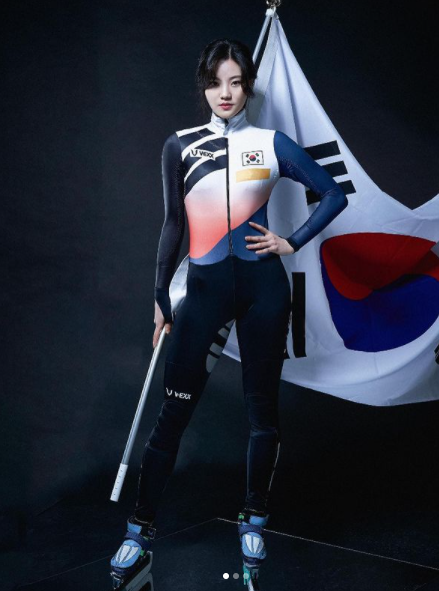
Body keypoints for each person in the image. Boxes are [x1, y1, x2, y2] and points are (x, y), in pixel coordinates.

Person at [110, 38, 348, 588]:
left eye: (236, 82)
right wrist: (159, 296)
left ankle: (253, 520)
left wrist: (291, 240)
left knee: (263, 415)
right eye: (216, 82)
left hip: (265, 292)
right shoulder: (181, 145)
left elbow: (332, 194)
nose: (226, 92)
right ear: (204, 86)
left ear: (247, 87)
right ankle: (139, 532)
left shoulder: (270, 143)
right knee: (172, 416)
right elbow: (174, 224)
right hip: (203, 293)